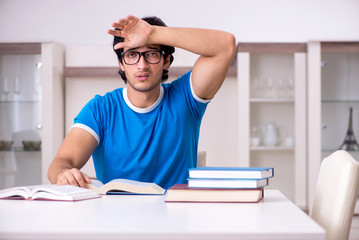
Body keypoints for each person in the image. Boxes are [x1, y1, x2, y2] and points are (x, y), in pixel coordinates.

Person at [48, 15, 236, 189]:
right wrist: (64, 173)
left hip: (176, 219)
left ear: (166, 60)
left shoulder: (186, 98)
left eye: (152, 54)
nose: (142, 65)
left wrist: (154, 33)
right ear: (121, 63)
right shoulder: (100, 110)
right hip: (117, 219)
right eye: (131, 55)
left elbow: (226, 45)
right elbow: (61, 162)